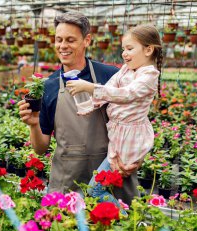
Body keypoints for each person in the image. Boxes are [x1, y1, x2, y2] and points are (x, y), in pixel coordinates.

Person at [18, 11, 141, 205]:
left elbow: (137, 119)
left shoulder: (111, 77)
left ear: (87, 40)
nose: (63, 46)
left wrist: (135, 159)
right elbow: (41, 149)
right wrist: (33, 124)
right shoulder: (49, 86)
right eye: (59, 40)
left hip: (110, 179)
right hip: (68, 182)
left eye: (70, 40)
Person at [66, 24, 162, 210]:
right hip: (118, 135)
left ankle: (126, 219)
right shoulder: (127, 69)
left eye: (129, 48)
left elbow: (126, 94)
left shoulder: (148, 76)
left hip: (129, 139)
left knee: (95, 189)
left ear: (148, 50)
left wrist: (89, 87)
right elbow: (109, 89)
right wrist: (88, 105)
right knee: (104, 184)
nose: (124, 54)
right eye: (123, 49)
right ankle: (124, 220)